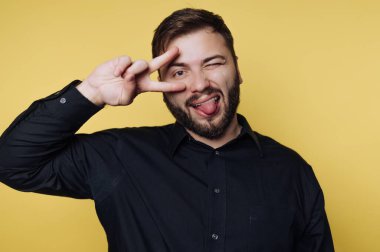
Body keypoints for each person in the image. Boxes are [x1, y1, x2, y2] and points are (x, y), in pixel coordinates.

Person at [0, 8, 334, 252]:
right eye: (178, 72)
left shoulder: (292, 171)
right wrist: (92, 93)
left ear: (237, 70)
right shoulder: (120, 155)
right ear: (159, 84)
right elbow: (12, 162)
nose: (199, 84)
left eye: (213, 63)